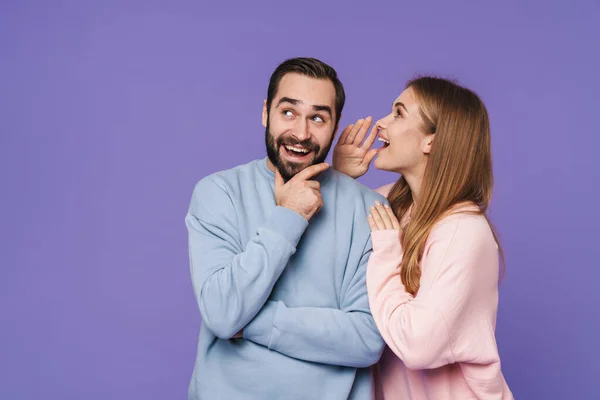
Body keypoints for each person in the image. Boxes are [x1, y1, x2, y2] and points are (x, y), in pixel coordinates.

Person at [185, 57, 386, 400]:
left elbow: (367, 339)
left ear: (335, 125)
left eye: (318, 118)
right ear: (266, 113)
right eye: (288, 112)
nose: (302, 133)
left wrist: (248, 323)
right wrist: (290, 215)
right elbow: (221, 313)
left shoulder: (368, 209)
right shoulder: (218, 193)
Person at [333, 76, 514, 399]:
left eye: (399, 113)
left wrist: (387, 251)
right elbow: (328, 240)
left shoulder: (463, 231)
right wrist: (341, 180)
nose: (381, 125)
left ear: (431, 140)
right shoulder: (394, 205)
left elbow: (418, 347)